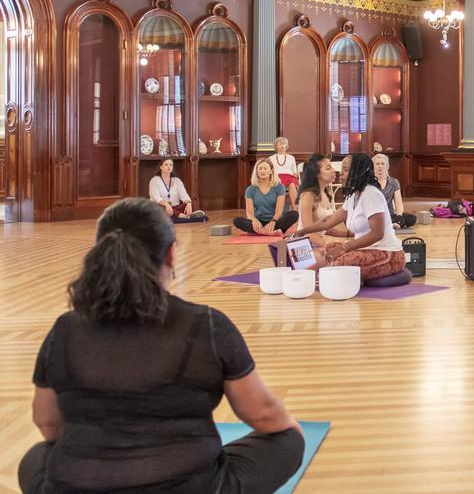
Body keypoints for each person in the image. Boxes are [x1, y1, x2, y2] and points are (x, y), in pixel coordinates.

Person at [19, 198, 303, 494]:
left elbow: (48, 424)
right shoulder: (207, 324)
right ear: (170, 254)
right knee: (288, 439)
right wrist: (290, 429)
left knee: (34, 458)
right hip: (192, 485)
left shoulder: (65, 329)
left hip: (74, 486)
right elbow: (262, 414)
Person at [294, 153, 405, 281]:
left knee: (337, 262)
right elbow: (328, 221)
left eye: (346, 170)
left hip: (388, 254)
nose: (340, 173)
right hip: (366, 249)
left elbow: (377, 234)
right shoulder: (353, 196)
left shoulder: (370, 194)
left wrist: (343, 247)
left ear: (358, 172)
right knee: (328, 250)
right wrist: (302, 231)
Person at [233, 158, 299, 236]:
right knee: (237, 220)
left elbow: (279, 210)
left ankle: (260, 232)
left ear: (271, 171)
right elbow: (250, 212)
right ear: (256, 172)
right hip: (259, 222)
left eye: (265, 168)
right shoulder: (250, 189)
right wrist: (254, 220)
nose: (262, 171)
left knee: (294, 214)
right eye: (260, 169)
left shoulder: (279, 187)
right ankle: (270, 232)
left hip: (276, 221)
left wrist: (273, 221)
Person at [297, 153, 338, 245]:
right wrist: (327, 246)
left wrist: (350, 234)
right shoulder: (308, 196)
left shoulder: (324, 194)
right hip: (303, 247)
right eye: (328, 168)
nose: (333, 170)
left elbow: (327, 229)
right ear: (317, 173)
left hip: (316, 245)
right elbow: (307, 232)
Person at [373, 153, 416, 229]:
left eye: (382, 164)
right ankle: (390, 225)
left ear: (387, 166)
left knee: (412, 218)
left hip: (389, 215)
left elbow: (398, 203)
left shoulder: (394, 182)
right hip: (374, 215)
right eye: (377, 164)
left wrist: (399, 217)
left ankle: (391, 224)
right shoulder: (370, 183)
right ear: (373, 166)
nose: (380, 166)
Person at [270, 137, 299, 210]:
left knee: (292, 184)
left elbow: (294, 172)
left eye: (284, 144)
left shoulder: (291, 158)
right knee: (280, 186)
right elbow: (270, 173)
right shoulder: (271, 158)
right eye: (280, 144)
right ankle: (280, 209)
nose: (283, 145)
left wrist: (296, 182)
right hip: (277, 178)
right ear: (276, 146)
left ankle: (294, 207)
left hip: (290, 177)